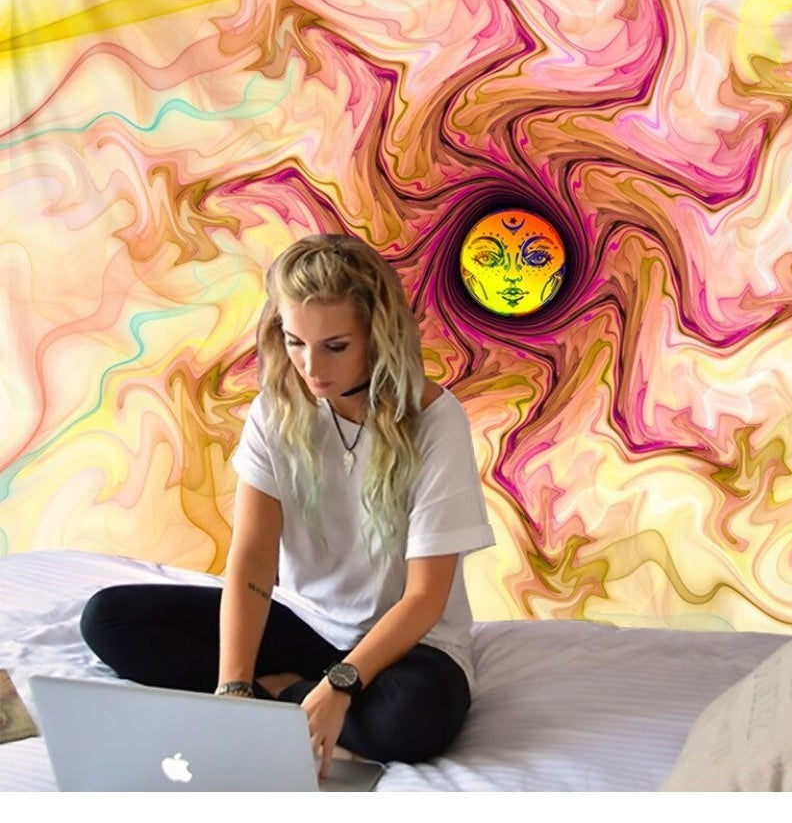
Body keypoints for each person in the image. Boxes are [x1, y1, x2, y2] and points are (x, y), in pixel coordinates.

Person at [80, 233, 495, 774]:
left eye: (335, 346)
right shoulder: (275, 411)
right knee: (109, 619)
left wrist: (339, 685)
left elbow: (424, 597)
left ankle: (285, 694)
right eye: (296, 342)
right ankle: (279, 698)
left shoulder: (436, 421)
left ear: (379, 335)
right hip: (307, 625)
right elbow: (253, 558)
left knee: (415, 720)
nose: (310, 366)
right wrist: (232, 687)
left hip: (408, 646)